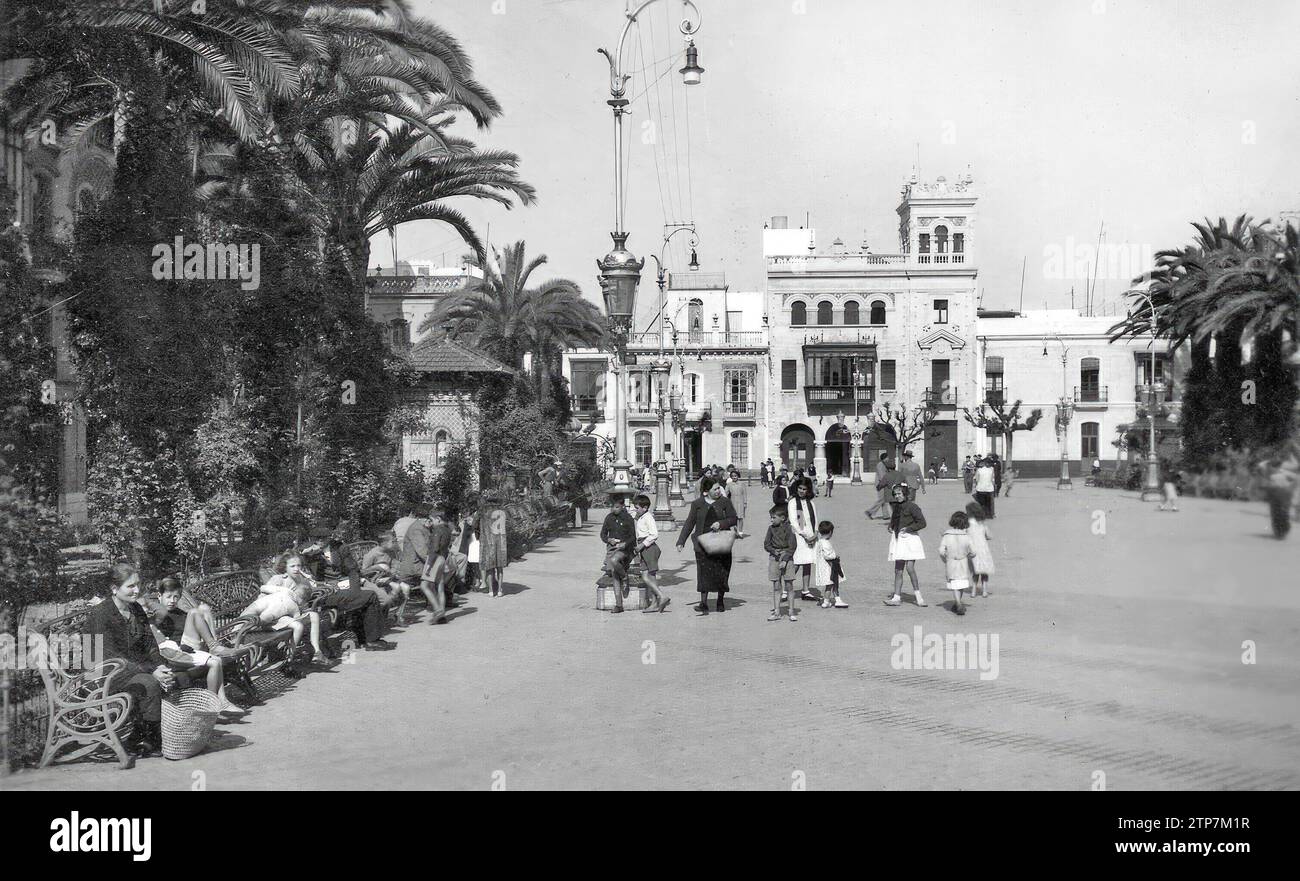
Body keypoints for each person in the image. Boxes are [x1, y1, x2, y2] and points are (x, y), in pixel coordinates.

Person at [88, 564, 178, 757]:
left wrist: (160, 665)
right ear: (114, 589)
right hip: (106, 675)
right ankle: (150, 737)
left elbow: (150, 644)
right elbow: (108, 658)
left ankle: (146, 733)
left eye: (138, 585)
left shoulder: (135, 608)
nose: (137, 590)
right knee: (150, 683)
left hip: (132, 668)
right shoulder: (100, 615)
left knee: (176, 675)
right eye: (130, 586)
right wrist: (151, 671)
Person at [149, 577, 232, 710]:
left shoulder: (182, 614)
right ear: (159, 596)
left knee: (203, 609)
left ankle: (214, 646)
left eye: (176, 597)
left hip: (189, 648)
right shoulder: (156, 616)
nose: (172, 601)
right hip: (175, 653)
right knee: (195, 611)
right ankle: (214, 647)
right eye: (168, 596)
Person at [304, 538, 391, 648]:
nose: (321, 541)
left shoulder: (340, 547)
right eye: (318, 539)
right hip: (332, 587)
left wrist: (355, 590)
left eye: (324, 537)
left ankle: (367, 632)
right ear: (312, 539)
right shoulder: (309, 552)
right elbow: (315, 576)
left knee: (384, 599)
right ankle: (369, 637)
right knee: (368, 598)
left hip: (352, 581)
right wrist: (310, 555)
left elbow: (353, 570)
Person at [244, 553, 329, 664]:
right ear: (285, 567)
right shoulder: (279, 579)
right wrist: (284, 591)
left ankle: (317, 651)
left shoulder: (300, 581)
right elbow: (263, 590)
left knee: (314, 615)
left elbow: (303, 600)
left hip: (287, 616)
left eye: (299, 566)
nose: (296, 569)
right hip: (271, 616)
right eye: (292, 566)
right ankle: (289, 659)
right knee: (297, 625)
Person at [676, 476, 739, 613]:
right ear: (706, 491)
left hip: (721, 543)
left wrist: (721, 524)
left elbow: (733, 518)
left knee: (721, 571)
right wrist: (681, 541)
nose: (718, 491)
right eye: (715, 489)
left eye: (718, 488)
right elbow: (689, 522)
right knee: (703, 572)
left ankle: (720, 600)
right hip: (702, 544)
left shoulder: (725, 502)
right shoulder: (697, 504)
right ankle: (703, 603)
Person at [397, 505, 445, 618]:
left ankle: (437, 606)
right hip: (414, 566)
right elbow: (422, 551)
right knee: (438, 574)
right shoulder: (416, 529)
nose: (431, 522)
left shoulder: (424, 527)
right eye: (429, 519)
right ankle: (437, 607)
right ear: (422, 518)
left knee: (442, 572)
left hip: (421, 563)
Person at [883, 484, 927, 607]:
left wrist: (909, 528)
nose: (897, 496)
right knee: (898, 570)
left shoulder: (913, 507)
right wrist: (891, 527)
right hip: (898, 540)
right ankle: (896, 597)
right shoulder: (896, 507)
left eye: (899, 494)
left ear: (905, 494)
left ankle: (919, 597)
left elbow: (922, 523)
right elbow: (894, 521)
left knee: (910, 568)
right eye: (895, 494)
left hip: (910, 540)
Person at [632, 494, 670, 613]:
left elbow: (654, 534)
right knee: (646, 576)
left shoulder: (648, 517)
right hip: (644, 548)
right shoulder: (642, 517)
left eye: (637, 508)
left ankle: (660, 596)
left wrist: (641, 545)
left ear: (645, 507)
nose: (636, 510)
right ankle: (655, 603)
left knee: (650, 576)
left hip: (649, 548)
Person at [600, 497, 637, 613]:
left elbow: (633, 537)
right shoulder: (609, 518)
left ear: (622, 507)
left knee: (614, 561)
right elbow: (602, 534)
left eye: (616, 507)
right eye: (612, 507)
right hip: (612, 548)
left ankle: (624, 577)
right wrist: (608, 540)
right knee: (614, 573)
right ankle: (619, 605)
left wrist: (624, 544)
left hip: (625, 550)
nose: (614, 509)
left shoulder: (628, 519)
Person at [420, 509, 457, 624]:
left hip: (435, 559)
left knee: (424, 585)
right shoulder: (447, 529)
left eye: (432, 520)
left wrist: (429, 565)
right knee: (440, 587)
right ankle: (442, 615)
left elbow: (434, 548)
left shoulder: (437, 529)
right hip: (443, 558)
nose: (431, 522)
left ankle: (437, 611)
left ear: (438, 519)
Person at [787, 478, 820, 602]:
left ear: (808, 490)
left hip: (811, 535)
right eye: (800, 488)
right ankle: (786, 589)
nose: (801, 491)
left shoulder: (810, 503)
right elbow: (794, 522)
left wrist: (815, 534)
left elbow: (815, 519)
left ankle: (805, 590)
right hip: (799, 536)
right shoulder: (793, 502)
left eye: (804, 489)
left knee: (808, 562)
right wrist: (804, 535)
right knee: (797, 563)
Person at [361, 531, 409, 615]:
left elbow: (394, 565)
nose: (395, 543)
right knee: (396, 587)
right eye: (392, 541)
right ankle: (384, 610)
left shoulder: (391, 552)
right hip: (375, 579)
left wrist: (393, 571)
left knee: (406, 587)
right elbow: (363, 571)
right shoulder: (372, 554)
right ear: (384, 543)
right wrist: (377, 567)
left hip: (389, 577)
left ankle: (398, 615)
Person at [764, 504, 798, 621]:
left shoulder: (790, 528)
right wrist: (774, 551)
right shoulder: (770, 529)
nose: (771, 520)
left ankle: (791, 612)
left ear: (782, 518)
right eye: (771, 517)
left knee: (789, 585)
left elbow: (792, 546)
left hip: (787, 558)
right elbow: (766, 544)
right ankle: (777, 611)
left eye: (774, 517)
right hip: (774, 558)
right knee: (776, 586)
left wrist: (784, 559)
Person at [938, 511, 976, 616]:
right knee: (962, 582)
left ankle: (958, 603)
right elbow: (974, 552)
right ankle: (958, 602)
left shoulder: (946, 535)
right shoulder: (967, 537)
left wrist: (945, 559)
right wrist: (968, 555)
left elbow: (941, 551)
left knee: (954, 582)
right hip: (963, 561)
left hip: (951, 561)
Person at [963, 501, 995, 598]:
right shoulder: (982, 525)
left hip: (972, 550)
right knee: (984, 571)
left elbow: (964, 536)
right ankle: (984, 590)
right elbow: (989, 536)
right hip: (983, 550)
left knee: (975, 571)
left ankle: (973, 591)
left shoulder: (967, 525)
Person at [814, 520, 848, 609]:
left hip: (823, 567)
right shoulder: (825, 543)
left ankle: (826, 602)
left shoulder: (820, 542)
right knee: (834, 582)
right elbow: (827, 555)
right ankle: (838, 600)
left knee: (828, 586)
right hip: (830, 567)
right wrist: (835, 556)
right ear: (830, 532)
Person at [479, 498, 509, 597]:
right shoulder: (504, 511)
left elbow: (474, 524)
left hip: (488, 542)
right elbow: (510, 524)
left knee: (489, 568)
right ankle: (500, 590)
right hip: (501, 542)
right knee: (500, 568)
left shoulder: (483, 510)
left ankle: (491, 591)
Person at [866, 452, 892, 519]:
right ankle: (870, 511)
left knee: (884, 499)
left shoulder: (884, 464)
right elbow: (881, 476)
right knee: (881, 499)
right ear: (884, 458)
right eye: (887, 457)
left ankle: (886, 515)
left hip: (883, 484)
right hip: (881, 484)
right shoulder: (880, 465)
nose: (888, 459)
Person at [727, 468, 749, 538]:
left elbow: (744, 494)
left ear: (738, 476)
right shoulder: (729, 484)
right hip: (732, 502)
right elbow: (725, 493)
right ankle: (736, 532)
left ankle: (741, 532)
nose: (734, 477)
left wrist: (745, 503)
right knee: (734, 518)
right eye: (732, 476)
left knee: (740, 518)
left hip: (741, 502)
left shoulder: (742, 484)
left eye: (735, 476)